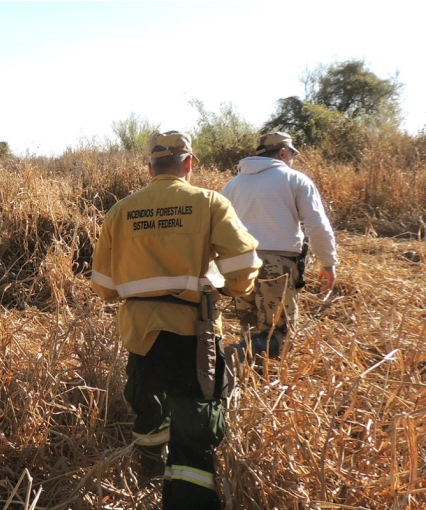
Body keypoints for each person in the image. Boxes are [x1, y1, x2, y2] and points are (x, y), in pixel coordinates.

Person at [90, 131, 261, 509]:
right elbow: (244, 263)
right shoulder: (209, 203)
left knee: (147, 404)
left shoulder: (121, 210)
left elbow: (103, 284)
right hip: (193, 333)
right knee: (195, 422)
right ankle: (187, 498)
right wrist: (234, 289)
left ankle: (148, 469)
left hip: (139, 331)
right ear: (188, 164)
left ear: (150, 167)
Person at [221, 132, 338, 361]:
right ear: (283, 153)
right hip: (277, 266)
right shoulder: (295, 180)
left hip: (239, 264)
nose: (292, 160)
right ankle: (236, 355)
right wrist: (328, 262)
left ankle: (245, 377)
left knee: (251, 328)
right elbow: (316, 225)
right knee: (280, 334)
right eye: (291, 155)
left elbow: (221, 227)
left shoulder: (233, 185)